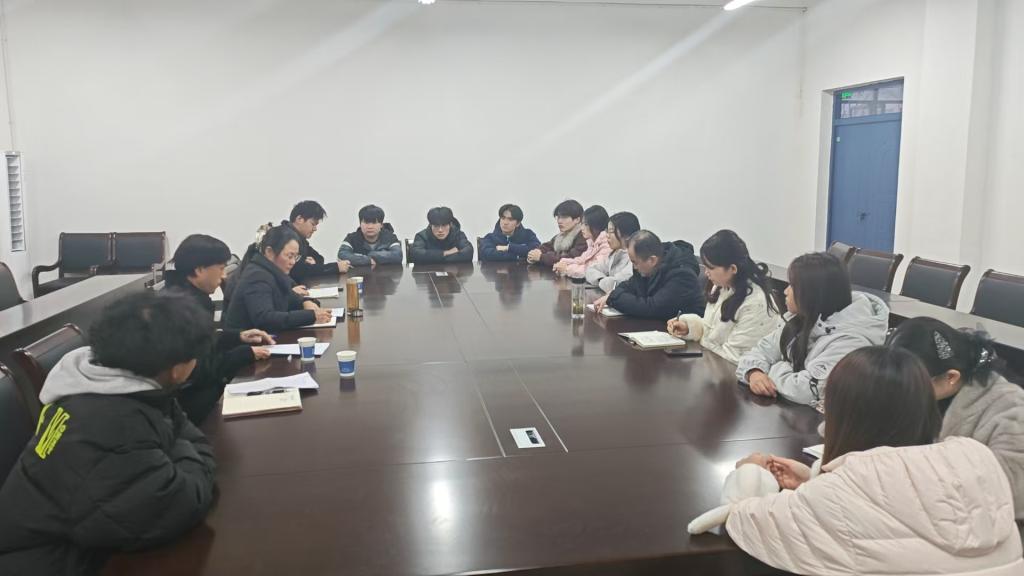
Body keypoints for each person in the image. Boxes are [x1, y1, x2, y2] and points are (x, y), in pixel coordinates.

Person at [722, 347, 1023, 575]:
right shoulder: (976, 460)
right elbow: (903, 504)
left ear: (843, 413)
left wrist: (751, 472)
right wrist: (813, 481)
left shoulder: (839, 496)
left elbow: (745, 521)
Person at [0, 292, 218, 575]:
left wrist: (178, 448)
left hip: (81, 542)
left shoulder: (121, 384)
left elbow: (185, 434)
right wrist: (184, 451)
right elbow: (181, 503)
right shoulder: (111, 424)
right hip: (51, 563)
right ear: (177, 370)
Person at [887, 317, 1024, 519]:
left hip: (981, 521)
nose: (903, 391)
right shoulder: (919, 387)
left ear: (951, 377)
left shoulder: (1011, 408)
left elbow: (1012, 490)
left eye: (913, 383)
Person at [736, 252, 888, 410]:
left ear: (812, 293)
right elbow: (759, 352)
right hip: (794, 414)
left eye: (792, 286)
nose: (785, 291)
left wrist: (775, 367)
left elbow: (805, 391)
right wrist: (754, 372)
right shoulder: (802, 318)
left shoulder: (851, 342)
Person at [164, 234, 275, 424]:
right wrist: (243, 354)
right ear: (199, 270)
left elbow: (203, 340)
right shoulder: (182, 308)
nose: (224, 276)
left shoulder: (191, 296)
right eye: (221, 268)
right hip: (190, 407)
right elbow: (196, 370)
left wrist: (238, 337)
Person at [666, 230, 782, 363]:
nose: (706, 272)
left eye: (711, 267)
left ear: (733, 269)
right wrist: (689, 327)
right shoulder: (722, 285)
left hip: (733, 371)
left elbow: (735, 358)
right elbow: (713, 331)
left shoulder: (755, 303)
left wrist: (703, 343)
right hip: (712, 365)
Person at [224, 225, 332, 331]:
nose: (293, 262)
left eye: (296, 257)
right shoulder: (257, 276)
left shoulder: (273, 271)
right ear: (269, 252)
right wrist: (310, 316)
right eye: (289, 256)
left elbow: (290, 297)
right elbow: (265, 319)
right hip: (248, 341)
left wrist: (305, 302)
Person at [592, 230, 704, 320]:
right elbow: (629, 286)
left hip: (681, 337)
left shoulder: (682, 275)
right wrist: (613, 294)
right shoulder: (648, 267)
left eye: (635, 262)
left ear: (652, 260)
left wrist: (614, 297)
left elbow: (652, 308)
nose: (634, 267)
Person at [282, 200, 347, 283]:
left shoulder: (300, 239)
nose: (315, 229)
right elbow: (298, 272)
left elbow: (319, 258)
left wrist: (310, 265)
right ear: (299, 219)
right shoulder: (284, 238)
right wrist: (335, 267)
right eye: (313, 224)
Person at [585, 211, 640, 293]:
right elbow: (590, 270)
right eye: (607, 231)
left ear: (627, 235)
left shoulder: (635, 258)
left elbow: (614, 283)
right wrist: (601, 279)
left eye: (611, 232)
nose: (607, 235)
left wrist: (603, 281)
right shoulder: (615, 253)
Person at [553, 205, 610, 278]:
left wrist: (566, 269)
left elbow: (590, 270)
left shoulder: (607, 245)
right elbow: (581, 260)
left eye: (586, 224)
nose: (582, 228)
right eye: (582, 224)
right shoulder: (592, 243)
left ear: (596, 226)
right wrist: (563, 262)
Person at [337, 204, 403, 267]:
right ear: (360, 224)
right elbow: (342, 255)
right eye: (366, 222)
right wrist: (368, 260)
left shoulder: (390, 237)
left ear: (381, 225)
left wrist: (371, 255)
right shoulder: (352, 238)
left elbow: (398, 255)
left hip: (386, 274)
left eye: (374, 223)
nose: (370, 227)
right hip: (359, 274)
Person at [527, 199, 587, 266]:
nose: (559, 221)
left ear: (577, 220)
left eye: (564, 217)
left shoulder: (584, 236)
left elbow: (570, 258)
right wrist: (536, 252)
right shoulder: (561, 235)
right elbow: (547, 246)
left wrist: (541, 257)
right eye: (558, 217)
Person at [410, 206, 474, 263]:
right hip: (428, 271)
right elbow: (416, 254)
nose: (440, 230)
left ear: (450, 225)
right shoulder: (422, 236)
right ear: (431, 225)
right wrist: (445, 253)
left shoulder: (458, 234)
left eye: (444, 225)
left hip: (454, 271)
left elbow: (468, 252)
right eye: (436, 226)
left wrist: (432, 257)